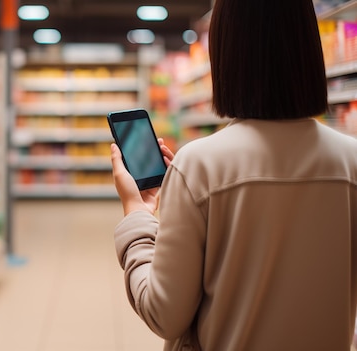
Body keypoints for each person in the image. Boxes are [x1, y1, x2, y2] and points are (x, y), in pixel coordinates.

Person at [110, 0, 357, 350]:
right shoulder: (351, 161)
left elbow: (164, 313)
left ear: (227, 53)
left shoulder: (200, 165)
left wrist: (136, 217)